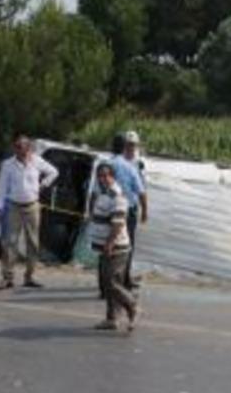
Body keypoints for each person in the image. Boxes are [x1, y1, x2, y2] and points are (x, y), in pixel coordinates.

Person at [0, 134, 59, 290]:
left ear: (28, 148)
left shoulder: (36, 161)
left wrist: (43, 184)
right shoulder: (7, 164)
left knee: (33, 243)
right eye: (15, 146)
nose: (17, 150)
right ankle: (7, 277)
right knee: (10, 243)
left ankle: (30, 276)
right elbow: (1, 188)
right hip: (13, 205)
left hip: (32, 206)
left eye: (20, 147)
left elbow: (54, 172)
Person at [89, 161, 139, 331]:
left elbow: (117, 224)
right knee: (107, 283)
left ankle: (132, 305)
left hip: (116, 246)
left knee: (111, 282)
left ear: (113, 176)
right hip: (104, 245)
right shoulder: (102, 193)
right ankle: (112, 319)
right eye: (100, 175)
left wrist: (109, 243)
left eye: (106, 175)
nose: (103, 178)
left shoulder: (117, 195)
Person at [110, 132, 147, 291]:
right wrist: (145, 209)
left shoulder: (137, 163)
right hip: (122, 208)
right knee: (121, 245)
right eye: (129, 144)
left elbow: (142, 185)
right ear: (124, 146)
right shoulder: (125, 165)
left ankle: (121, 278)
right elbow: (141, 190)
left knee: (122, 244)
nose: (131, 147)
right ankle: (119, 280)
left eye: (134, 145)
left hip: (121, 208)